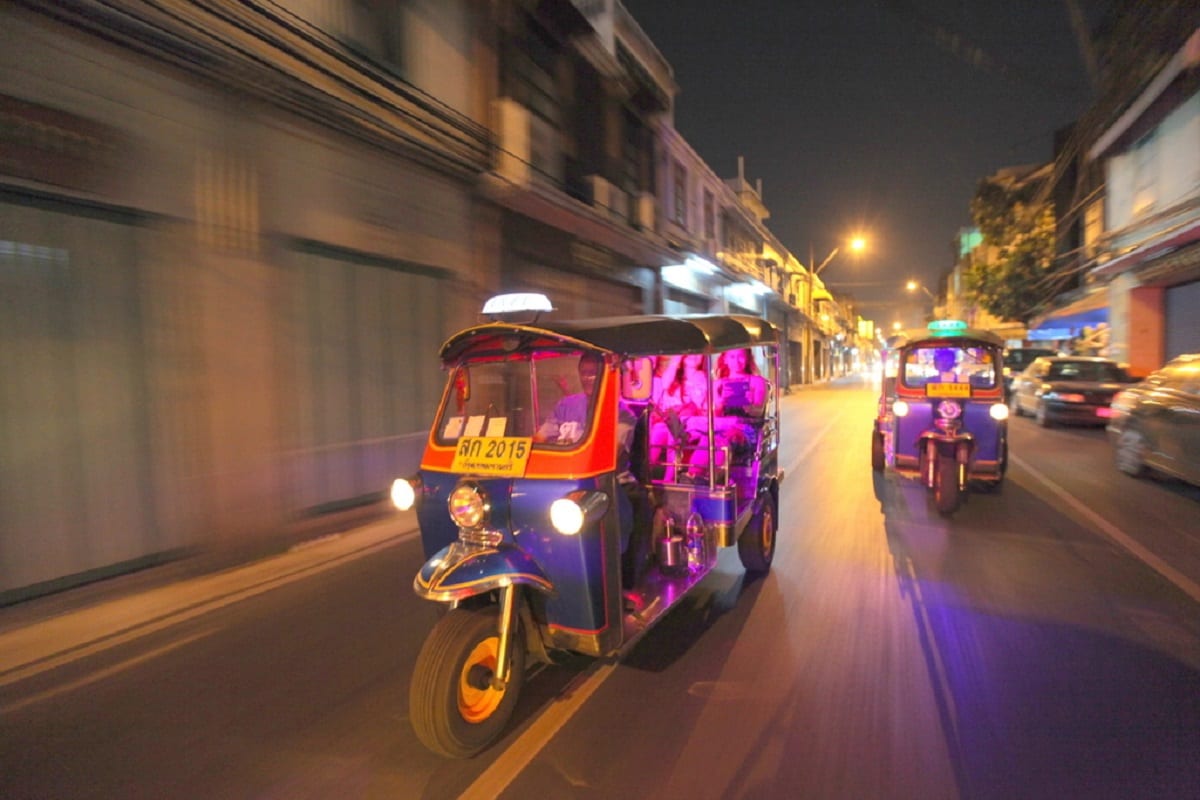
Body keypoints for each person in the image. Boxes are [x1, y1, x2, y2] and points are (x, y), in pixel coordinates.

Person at [538, 355, 601, 444]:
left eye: (592, 373)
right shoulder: (565, 405)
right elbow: (541, 435)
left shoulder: (619, 411)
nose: (587, 378)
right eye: (583, 372)